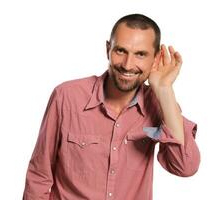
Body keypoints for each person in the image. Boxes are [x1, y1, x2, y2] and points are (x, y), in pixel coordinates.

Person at [22, 13, 200, 200]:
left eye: (140, 54)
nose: (128, 65)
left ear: (156, 58)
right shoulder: (67, 97)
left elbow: (185, 167)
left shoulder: (160, 104)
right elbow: (39, 174)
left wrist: (164, 89)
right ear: (108, 49)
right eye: (121, 51)